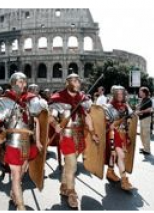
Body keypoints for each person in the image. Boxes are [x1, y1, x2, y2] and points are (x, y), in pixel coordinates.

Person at [0, 73, 46, 210]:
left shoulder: (31, 100)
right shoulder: (6, 101)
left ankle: (14, 192)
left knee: (22, 172)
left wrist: (38, 140)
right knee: (16, 174)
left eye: (25, 82)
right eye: (20, 82)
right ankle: (21, 206)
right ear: (13, 83)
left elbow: (38, 121)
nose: (23, 85)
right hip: (13, 143)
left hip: (29, 142)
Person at [49, 73, 98, 208]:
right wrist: (56, 125)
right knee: (73, 165)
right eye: (75, 81)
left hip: (79, 136)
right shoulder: (59, 98)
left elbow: (87, 117)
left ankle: (64, 185)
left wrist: (93, 133)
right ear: (68, 83)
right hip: (67, 136)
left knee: (71, 164)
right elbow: (50, 116)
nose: (78, 84)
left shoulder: (81, 99)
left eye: (78, 81)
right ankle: (71, 193)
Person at [103, 85, 136, 191]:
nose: (120, 95)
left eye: (122, 93)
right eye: (118, 93)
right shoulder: (108, 107)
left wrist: (132, 116)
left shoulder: (126, 106)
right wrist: (110, 124)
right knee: (120, 155)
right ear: (114, 94)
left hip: (123, 134)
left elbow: (132, 116)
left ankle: (110, 171)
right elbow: (106, 123)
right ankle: (124, 180)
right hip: (113, 134)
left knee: (115, 154)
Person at [136, 87, 152, 154]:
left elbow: (149, 109)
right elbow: (139, 108)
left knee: (146, 135)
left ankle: (147, 150)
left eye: (140, 91)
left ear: (144, 92)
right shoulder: (142, 99)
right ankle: (145, 147)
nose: (139, 92)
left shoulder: (148, 100)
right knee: (142, 135)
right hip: (142, 119)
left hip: (146, 119)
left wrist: (140, 111)